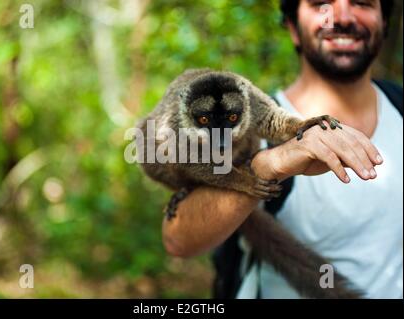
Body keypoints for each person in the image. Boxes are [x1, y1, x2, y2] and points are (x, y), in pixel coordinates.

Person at [162, 0, 403, 299]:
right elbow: (177, 240)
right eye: (321, 4)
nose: (341, 16)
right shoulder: (241, 124)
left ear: (384, 21)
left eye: (361, 2)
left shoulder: (399, 107)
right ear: (293, 28)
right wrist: (267, 165)